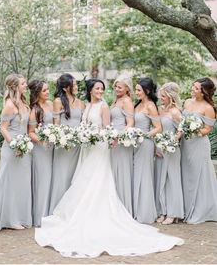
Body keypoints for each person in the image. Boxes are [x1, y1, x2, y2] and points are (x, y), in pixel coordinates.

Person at [35, 78, 183, 258]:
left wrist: (106, 137)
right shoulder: (88, 104)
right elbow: (86, 125)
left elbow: (107, 128)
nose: (101, 91)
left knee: (98, 178)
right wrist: (85, 135)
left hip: (100, 147)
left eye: (102, 88)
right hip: (87, 147)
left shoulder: (104, 106)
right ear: (90, 90)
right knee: (84, 178)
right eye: (97, 88)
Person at [0, 74, 32, 231]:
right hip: (12, 148)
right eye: (23, 83)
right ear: (15, 87)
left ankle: (21, 216)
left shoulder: (23, 103)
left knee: (22, 183)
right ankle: (11, 219)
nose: (26, 85)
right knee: (11, 183)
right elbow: (3, 128)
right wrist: (14, 145)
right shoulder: (9, 105)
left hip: (24, 148)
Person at [181, 77, 217, 224]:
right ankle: (185, 207)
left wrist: (192, 130)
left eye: (196, 88)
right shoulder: (188, 102)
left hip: (199, 145)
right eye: (193, 86)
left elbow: (207, 129)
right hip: (185, 143)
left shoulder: (208, 108)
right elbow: (182, 121)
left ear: (203, 92)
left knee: (198, 175)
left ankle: (200, 209)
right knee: (186, 173)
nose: (192, 89)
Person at [49, 73, 85, 214]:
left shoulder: (81, 103)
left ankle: (72, 210)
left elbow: (83, 123)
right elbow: (56, 125)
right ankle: (58, 210)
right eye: (73, 85)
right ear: (65, 88)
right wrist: (62, 138)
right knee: (62, 175)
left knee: (74, 176)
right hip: (63, 145)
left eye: (76, 84)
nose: (76, 87)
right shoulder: (58, 101)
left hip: (77, 146)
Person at [155, 82, 184, 225]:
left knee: (172, 180)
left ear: (170, 96)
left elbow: (181, 131)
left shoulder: (175, 112)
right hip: (160, 149)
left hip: (172, 149)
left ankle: (174, 213)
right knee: (162, 180)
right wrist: (157, 146)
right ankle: (163, 210)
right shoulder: (161, 110)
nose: (161, 98)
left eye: (163, 96)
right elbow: (158, 129)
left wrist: (172, 141)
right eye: (160, 96)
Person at [133, 77, 161, 224]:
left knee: (143, 176)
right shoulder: (137, 104)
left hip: (145, 144)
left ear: (147, 91)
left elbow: (158, 127)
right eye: (136, 89)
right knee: (136, 175)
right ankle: (136, 209)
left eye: (139, 90)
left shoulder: (150, 105)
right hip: (134, 144)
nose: (136, 92)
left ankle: (145, 212)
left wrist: (144, 135)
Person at [28, 80, 53, 227]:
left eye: (48, 89)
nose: (48, 92)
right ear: (37, 93)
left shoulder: (50, 104)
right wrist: (43, 142)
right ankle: (40, 215)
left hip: (53, 147)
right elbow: (31, 132)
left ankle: (49, 212)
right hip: (41, 149)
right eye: (44, 90)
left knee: (51, 179)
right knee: (43, 179)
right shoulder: (34, 110)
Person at [110, 73, 134, 214]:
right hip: (113, 140)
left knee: (122, 172)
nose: (117, 89)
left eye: (120, 87)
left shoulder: (127, 101)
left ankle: (124, 208)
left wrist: (118, 137)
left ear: (127, 88)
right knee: (114, 172)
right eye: (116, 87)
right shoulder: (116, 100)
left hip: (121, 141)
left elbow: (130, 123)